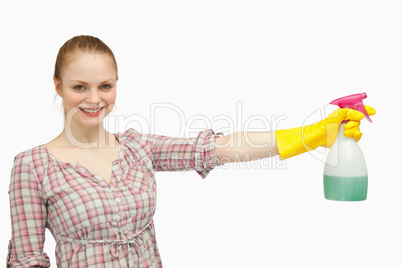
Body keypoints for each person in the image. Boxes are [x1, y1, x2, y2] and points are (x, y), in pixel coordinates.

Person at [6, 35, 375, 268]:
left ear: (116, 85)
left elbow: (219, 148)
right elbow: (26, 259)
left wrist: (310, 135)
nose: (93, 98)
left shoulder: (137, 148)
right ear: (58, 86)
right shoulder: (32, 166)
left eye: (104, 85)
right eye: (79, 87)